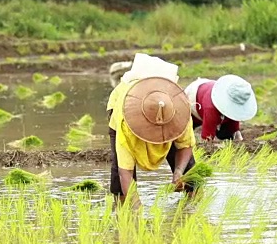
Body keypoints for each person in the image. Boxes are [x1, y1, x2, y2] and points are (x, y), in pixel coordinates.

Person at [107, 54, 196, 209]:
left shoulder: (180, 110)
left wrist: (179, 171)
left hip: (166, 110)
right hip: (121, 107)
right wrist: (135, 208)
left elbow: (185, 145)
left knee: (191, 173)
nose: (157, 132)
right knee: (118, 176)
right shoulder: (125, 122)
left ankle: (192, 205)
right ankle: (122, 206)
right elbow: (125, 171)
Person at [184, 75, 257, 142]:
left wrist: (240, 140)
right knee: (186, 130)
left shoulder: (235, 102)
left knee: (229, 130)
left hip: (208, 87)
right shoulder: (211, 108)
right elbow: (207, 139)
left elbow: (235, 129)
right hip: (193, 96)